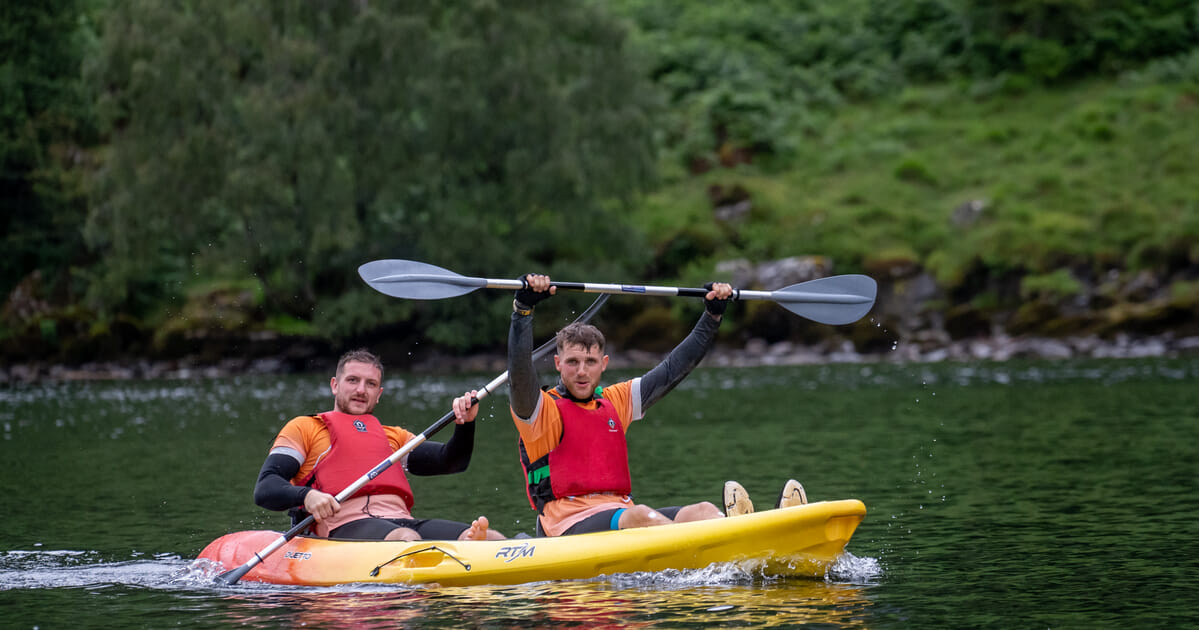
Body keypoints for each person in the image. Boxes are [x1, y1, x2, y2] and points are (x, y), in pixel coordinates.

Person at [508, 273, 789, 537]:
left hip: (620, 512)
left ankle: (745, 536)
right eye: (573, 362)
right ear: (558, 363)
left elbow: (672, 370)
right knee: (640, 516)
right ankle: (727, 542)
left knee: (703, 510)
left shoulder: (614, 401)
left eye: (590, 362)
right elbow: (520, 376)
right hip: (564, 525)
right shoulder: (541, 411)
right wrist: (523, 312)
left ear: (603, 365)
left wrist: (712, 316)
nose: (582, 371)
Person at [253, 348, 504, 541]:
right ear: (335, 385)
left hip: (401, 521)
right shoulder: (306, 428)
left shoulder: (392, 437)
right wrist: (306, 495)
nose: (361, 389)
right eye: (353, 380)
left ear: (379, 393)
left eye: (370, 384)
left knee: (489, 538)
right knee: (406, 539)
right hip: (342, 526)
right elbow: (266, 487)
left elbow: (452, 462)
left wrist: (465, 424)